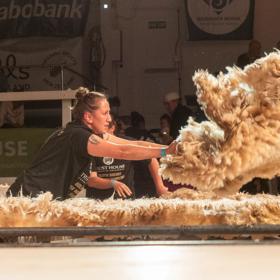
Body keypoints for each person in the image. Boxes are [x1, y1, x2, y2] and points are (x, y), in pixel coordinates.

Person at [8, 87, 176, 200]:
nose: (109, 119)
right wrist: (164, 152)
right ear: (88, 117)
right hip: (24, 200)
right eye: (105, 113)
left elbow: (135, 144)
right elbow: (123, 152)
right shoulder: (79, 135)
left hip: (39, 201)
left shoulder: (89, 134)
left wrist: (171, 149)